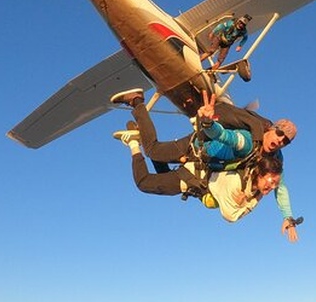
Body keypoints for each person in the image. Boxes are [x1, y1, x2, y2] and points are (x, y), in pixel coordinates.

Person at [111, 88, 300, 241]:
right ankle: (137, 102)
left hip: (202, 165)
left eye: (286, 142)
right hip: (194, 148)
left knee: (160, 165)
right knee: (153, 150)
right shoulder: (249, 140)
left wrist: (287, 216)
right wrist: (209, 124)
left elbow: (280, 187)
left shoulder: (275, 159)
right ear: (272, 128)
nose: (280, 141)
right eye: (280, 134)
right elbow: (227, 137)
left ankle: (138, 137)